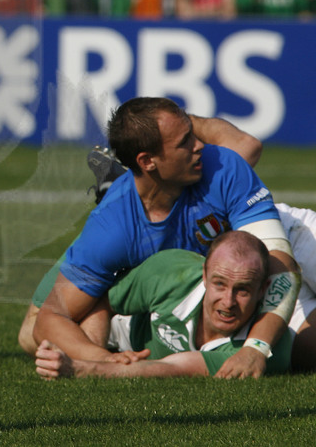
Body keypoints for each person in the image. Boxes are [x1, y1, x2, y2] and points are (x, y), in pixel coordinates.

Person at [20, 97, 301, 379]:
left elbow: (282, 265)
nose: (199, 145)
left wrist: (256, 347)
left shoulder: (223, 165)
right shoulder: (111, 230)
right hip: (207, 274)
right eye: (184, 142)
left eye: (191, 133)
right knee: (31, 335)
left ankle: (119, 180)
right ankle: (117, 186)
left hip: (258, 250)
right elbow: (50, 318)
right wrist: (104, 359)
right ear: (147, 161)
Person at [35, 231, 293, 379]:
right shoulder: (169, 272)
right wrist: (97, 355)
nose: (228, 302)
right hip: (113, 324)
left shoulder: (263, 352)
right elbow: (100, 300)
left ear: (263, 289)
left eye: (243, 290)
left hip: (125, 352)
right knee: (31, 334)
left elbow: (173, 367)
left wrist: (80, 369)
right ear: (204, 275)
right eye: (219, 284)